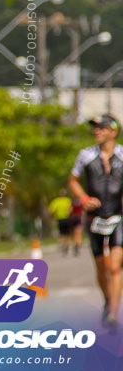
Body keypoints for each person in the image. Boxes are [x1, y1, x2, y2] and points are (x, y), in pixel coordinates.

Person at [68, 114, 123, 331]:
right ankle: (108, 300)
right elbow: (73, 181)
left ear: (113, 131)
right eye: (95, 128)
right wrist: (84, 199)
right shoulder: (85, 155)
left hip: (118, 217)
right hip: (95, 218)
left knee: (115, 266)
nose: (97, 131)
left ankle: (113, 313)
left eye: (101, 128)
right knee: (101, 267)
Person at [49, 189, 74, 256]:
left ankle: (63, 245)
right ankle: (67, 245)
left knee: (62, 233)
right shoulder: (68, 200)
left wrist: (53, 216)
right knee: (67, 233)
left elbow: (51, 211)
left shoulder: (56, 201)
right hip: (67, 218)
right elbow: (71, 209)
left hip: (60, 219)